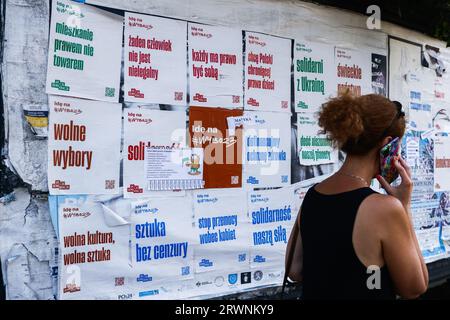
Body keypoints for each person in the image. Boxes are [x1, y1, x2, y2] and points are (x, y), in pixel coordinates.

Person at [285, 93, 428, 300]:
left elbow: (295, 270)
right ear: (388, 144)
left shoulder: (313, 195)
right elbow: (415, 287)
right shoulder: (385, 208)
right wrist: (404, 206)